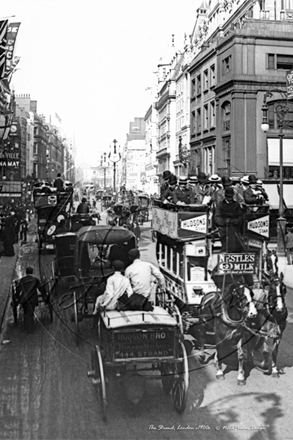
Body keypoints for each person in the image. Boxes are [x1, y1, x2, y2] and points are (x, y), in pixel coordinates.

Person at [15, 267, 47, 333]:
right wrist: (44, 295)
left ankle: (27, 327)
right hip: (33, 298)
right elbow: (40, 289)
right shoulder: (35, 280)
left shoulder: (22, 280)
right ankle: (30, 328)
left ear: (26, 272)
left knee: (25, 312)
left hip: (24, 299)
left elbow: (18, 290)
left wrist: (17, 297)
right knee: (31, 312)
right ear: (32, 272)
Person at [214, 186, 244, 253]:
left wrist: (234, 221)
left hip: (234, 226)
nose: (230, 199)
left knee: (237, 240)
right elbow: (217, 217)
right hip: (224, 227)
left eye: (231, 197)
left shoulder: (236, 205)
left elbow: (240, 217)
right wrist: (224, 222)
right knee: (225, 238)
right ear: (225, 196)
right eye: (228, 197)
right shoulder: (220, 205)